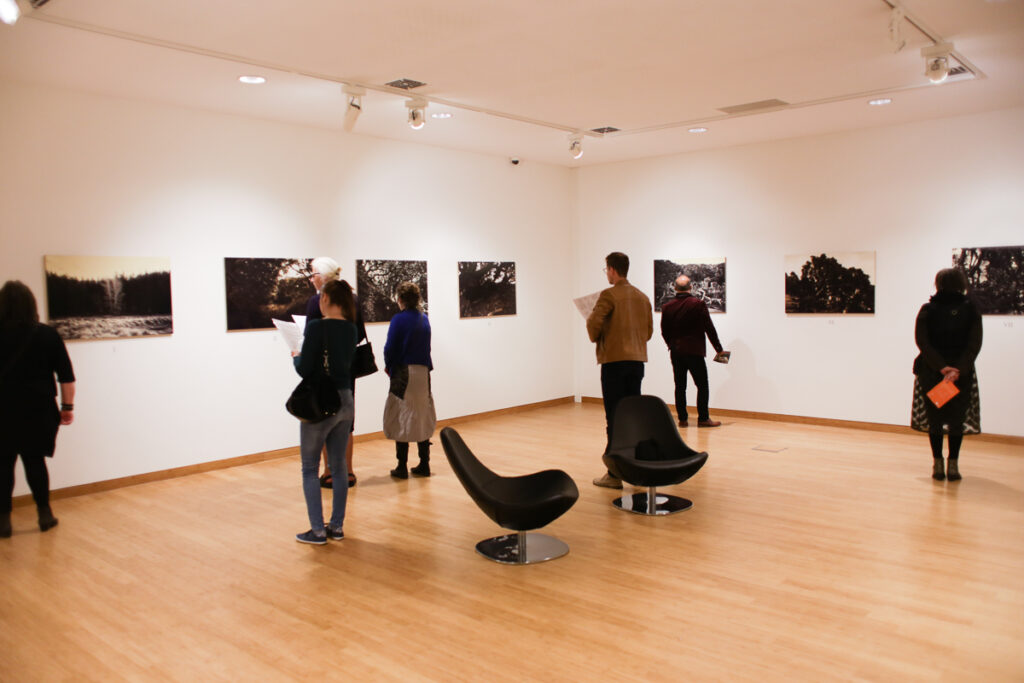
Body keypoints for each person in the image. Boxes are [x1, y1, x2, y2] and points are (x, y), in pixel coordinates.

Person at [0, 281, 75, 538]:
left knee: (2, 465)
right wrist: (67, 407)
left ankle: (3, 521)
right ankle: (44, 514)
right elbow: (66, 376)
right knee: (35, 462)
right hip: (38, 408)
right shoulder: (47, 335)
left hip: (3, 410)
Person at [291, 279, 357, 544]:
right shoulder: (351, 329)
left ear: (327, 299)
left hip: (320, 402)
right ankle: (337, 527)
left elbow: (304, 369)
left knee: (310, 467)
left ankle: (317, 530)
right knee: (339, 467)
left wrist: (296, 355)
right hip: (346, 400)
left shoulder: (317, 327)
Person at [586, 252, 653, 489]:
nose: (607, 274)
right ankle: (634, 467)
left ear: (612, 269)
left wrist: (598, 336)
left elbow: (593, 323)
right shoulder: (642, 297)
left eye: (606, 270)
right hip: (636, 362)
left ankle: (614, 473)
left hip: (614, 363)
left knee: (614, 416)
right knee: (631, 415)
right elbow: (648, 332)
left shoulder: (609, 294)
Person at [912, 268, 983, 482]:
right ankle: (953, 465)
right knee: (956, 420)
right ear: (961, 284)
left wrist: (941, 367)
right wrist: (956, 369)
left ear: (938, 284)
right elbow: (974, 344)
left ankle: (938, 464)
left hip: (933, 373)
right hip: (960, 375)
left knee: (935, 419)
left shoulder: (928, 309)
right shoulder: (971, 310)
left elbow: (922, 342)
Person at [306, 257, 365, 489]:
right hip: (347, 367)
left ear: (324, 276)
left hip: (323, 370)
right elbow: (359, 333)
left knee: (324, 418)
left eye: (313, 274)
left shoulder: (315, 301)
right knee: (346, 420)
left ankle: (330, 471)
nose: (311, 279)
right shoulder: (354, 299)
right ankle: (348, 471)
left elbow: (311, 337)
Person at [383, 282, 436, 479]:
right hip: (423, 372)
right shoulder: (424, 319)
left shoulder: (398, 319)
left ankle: (402, 466)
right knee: (422, 415)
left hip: (404, 372)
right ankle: (424, 463)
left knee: (402, 416)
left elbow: (390, 348)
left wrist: (389, 367)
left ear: (400, 299)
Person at [661, 274, 726, 428]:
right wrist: (719, 349)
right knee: (702, 384)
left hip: (676, 352)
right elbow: (709, 328)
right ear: (691, 287)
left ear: (675, 288)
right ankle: (703, 418)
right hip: (694, 351)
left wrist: (671, 345)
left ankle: (682, 419)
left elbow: (664, 331)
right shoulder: (698, 304)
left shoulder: (667, 307)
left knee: (680, 385)